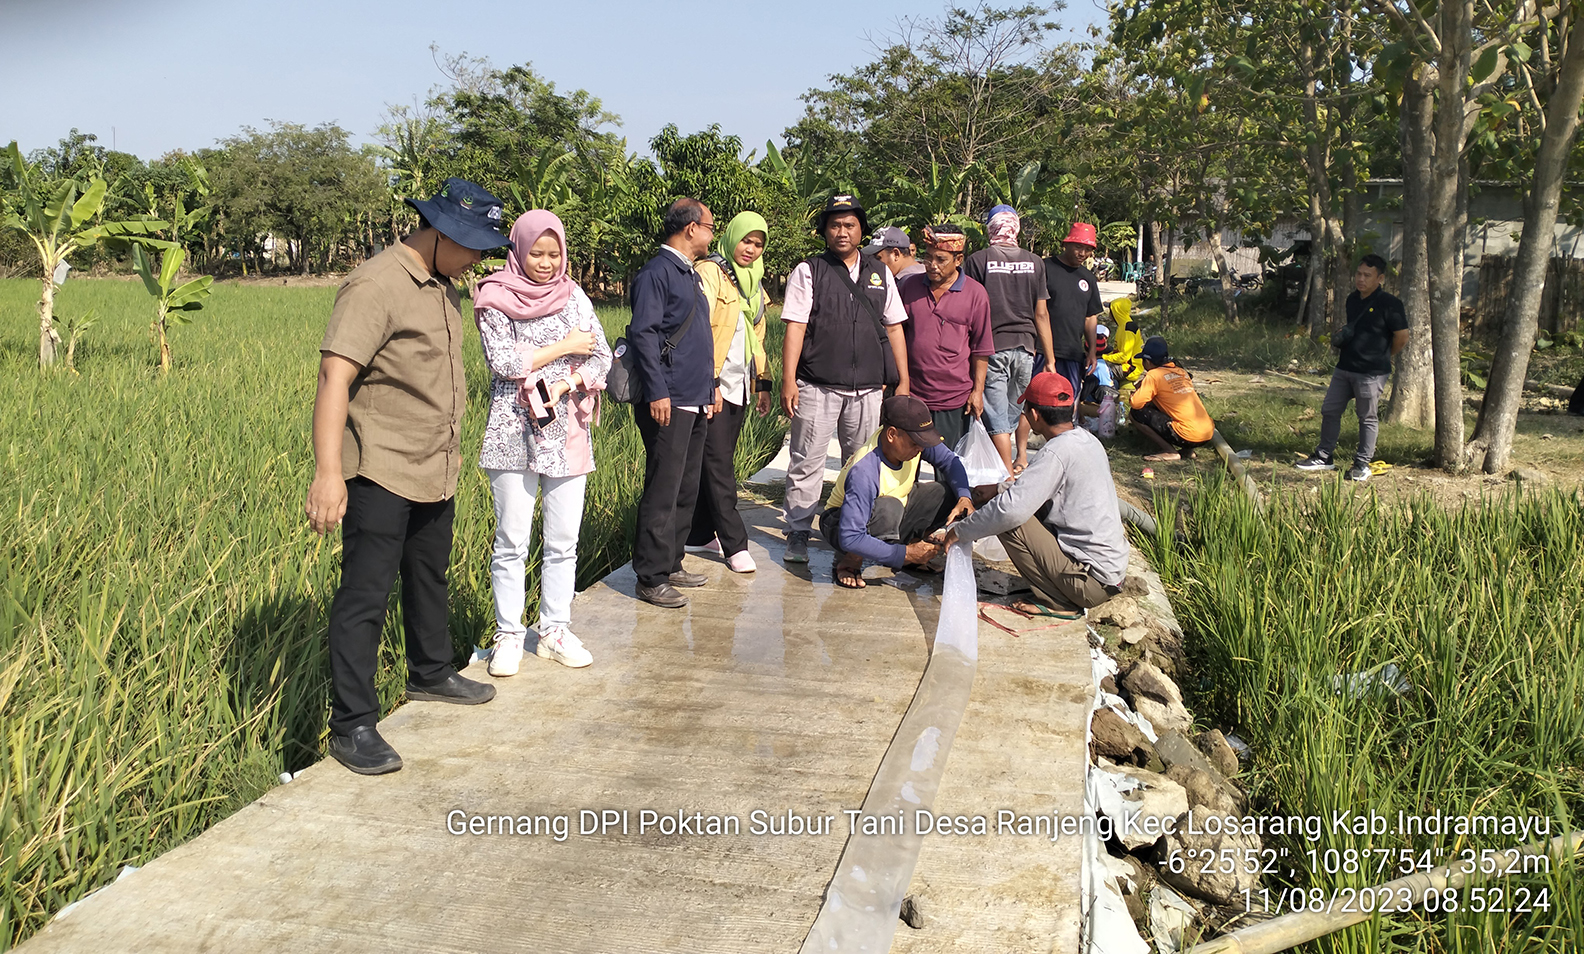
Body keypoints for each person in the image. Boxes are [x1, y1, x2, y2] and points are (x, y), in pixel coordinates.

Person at [305, 178, 509, 775]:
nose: (476, 258)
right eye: (471, 245)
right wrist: (328, 472)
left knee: (429, 575)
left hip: (435, 464)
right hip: (382, 467)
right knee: (365, 596)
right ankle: (352, 725)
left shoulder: (445, 286)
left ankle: (431, 671)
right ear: (440, 232)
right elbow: (334, 379)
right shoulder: (376, 284)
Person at [473, 210, 611, 677]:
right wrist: (566, 344)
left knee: (563, 541)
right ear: (518, 249)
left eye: (555, 254)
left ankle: (553, 630)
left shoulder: (574, 296)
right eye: (537, 253)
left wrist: (570, 380)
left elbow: (603, 355)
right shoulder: (494, 297)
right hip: (512, 432)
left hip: (566, 431)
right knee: (511, 540)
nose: (548, 263)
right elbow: (504, 361)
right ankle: (508, 635)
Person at [780, 195, 911, 564]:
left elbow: (896, 328)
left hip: (868, 388)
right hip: (817, 384)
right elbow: (795, 327)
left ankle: (856, 533)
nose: (842, 232)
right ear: (824, 230)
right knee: (807, 461)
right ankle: (799, 531)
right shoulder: (809, 270)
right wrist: (788, 380)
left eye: (849, 225)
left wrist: (903, 380)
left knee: (861, 464)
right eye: (834, 225)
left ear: (861, 231)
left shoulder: (880, 272)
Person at [945, 373, 1129, 620]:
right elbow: (1032, 489)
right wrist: (999, 488)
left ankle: (1058, 601)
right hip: (1110, 575)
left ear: (1033, 416)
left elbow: (1009, 511)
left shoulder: (1056, 452)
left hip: (1090, 583)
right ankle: (1060, 592)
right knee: (1011, 505)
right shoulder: (1087, 441)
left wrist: (959, 532)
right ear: (1071, 409)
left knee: (1009, 521)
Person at [630, 198, 719, 607]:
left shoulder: (689, 274)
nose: (712, 233)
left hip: (695, 395)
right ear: (690, 229)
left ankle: (672, 561)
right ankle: (650, 575)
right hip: (670, 397)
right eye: (710, 226)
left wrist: (711, 386)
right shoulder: (657, 272)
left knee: (686, 485)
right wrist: (658, 391)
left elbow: (698, 336)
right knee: (663, 487)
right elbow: (644, 334)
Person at [685, 211, 775, 574]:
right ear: (730, 237)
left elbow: (759, 339)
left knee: (716, 458)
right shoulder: (710, 273)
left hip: (739, 387)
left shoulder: (754, 286)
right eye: (746, 241)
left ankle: (699, 531)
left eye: (758, 244)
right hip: (715, 385)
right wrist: (710, 382)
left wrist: (763, 384)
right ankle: (735, 543)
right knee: (720, 463)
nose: (750, 250)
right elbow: (699, 332)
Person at [819, 395, 975, 589]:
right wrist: (906, 554)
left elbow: (951, 462)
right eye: (915, 443)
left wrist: (964, 496)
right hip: (841, 522)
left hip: (893, 509)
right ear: (892, 434)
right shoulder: (865, 470)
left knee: (951, 493)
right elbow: (850, 537)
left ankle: (908, 546)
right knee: (888, 507)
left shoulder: (911, 442)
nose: (920, 449)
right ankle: (851, 562)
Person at [1295, 254, 1409, 482]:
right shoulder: (1352, 299)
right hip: (1345, 367)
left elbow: (1402, 337)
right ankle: (1324, 456)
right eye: (1359, 274)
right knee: (1329, 409)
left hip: (1371, 372)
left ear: (1380, 278)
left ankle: (1361, 463)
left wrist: (1383, 356)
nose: (1361, 279)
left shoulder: (1390, 304)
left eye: (1368, 275)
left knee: (1366, 417)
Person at [964, 205, 1052, 475]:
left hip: (991, 348)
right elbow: (1041, 314)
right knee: (1015, 411)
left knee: (997, 416)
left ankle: (1005, 472)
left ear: (990, 227)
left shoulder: (978, 261)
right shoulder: (1035, 261)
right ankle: (1013, 463)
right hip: (1025, 349)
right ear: (1016, 227)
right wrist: (1050, 359)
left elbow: (968, 307)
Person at [898, 224, 993, 457]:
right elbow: (895, 336)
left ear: (958, 259)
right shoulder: (909, 287)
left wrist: (977, 391)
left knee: (950, 467)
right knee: (906, 468)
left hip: (954, 400)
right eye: (927, 257)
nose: (932, 265)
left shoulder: (976, 294)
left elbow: (981, 349)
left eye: (940, 259)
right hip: (913, 396)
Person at [1043, 222, 1104, 402]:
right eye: (1078, 247)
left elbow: (1090, 316)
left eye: (1088, 249)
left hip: (1072, 352)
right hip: (1041, 350)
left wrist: (1092, 350)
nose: (1082, 253)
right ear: (1065, 244)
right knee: (1034, 401)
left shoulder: (1088, 278)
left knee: (1067, 401)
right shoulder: (1045, 268)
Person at [1128, 335, 1214, 461]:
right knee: (1175, 409)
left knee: (1136, 414)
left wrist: (1134, 394)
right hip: (1207, 433)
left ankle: (1169, 451)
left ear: (1147, 361)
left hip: (1185, 435)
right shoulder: (1181, 372)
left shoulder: (1153, 375)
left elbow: (1136, 404)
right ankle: (1188, 451)